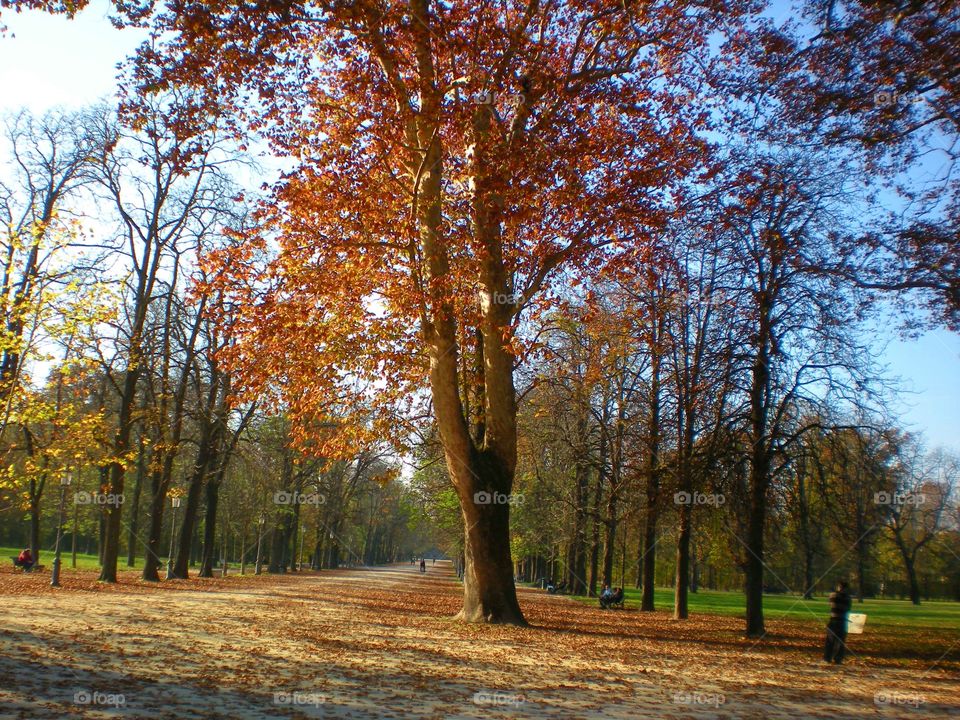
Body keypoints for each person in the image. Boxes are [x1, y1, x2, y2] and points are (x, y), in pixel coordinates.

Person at [824, 580, 852, 664]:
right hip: (842, 620)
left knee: (830, 640)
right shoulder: (848, 598)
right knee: (840, 641)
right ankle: (838, 658)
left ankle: (827, 657)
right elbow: (848, 608)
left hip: (834, 620)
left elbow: (831, 602)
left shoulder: (833, 595)